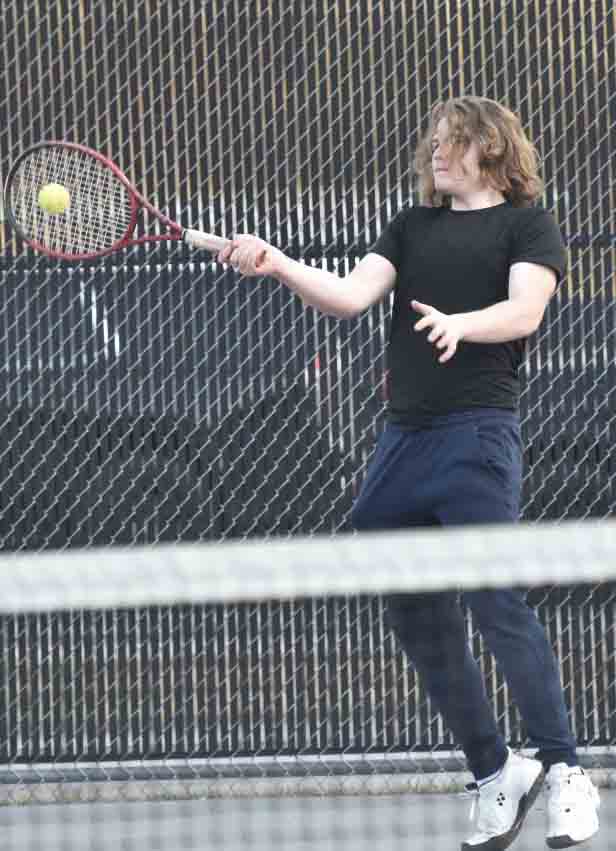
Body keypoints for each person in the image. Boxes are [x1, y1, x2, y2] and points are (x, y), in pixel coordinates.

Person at [217, 95, 600, 850]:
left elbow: (525, 311)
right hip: (401, 446)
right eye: (432, 142)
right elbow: (353, 297)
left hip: (477, 438)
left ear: (490, 149)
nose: (435, 153)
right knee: (416, 618)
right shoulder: (411, 225)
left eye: (451, 141)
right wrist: (280, 261)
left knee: (497, 601)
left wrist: (462, 323)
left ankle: (563, 770)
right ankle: (496, 770)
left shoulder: (528, 225)